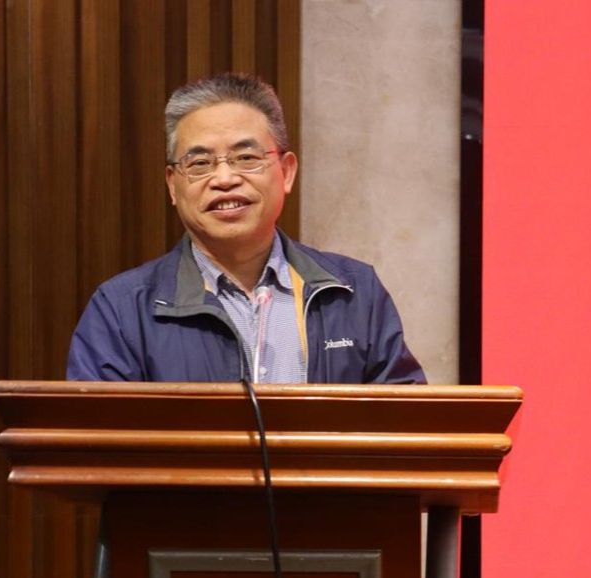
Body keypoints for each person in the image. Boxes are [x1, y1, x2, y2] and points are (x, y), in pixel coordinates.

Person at [67, 72, 425, 384]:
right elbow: (94, 435)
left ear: (286, 172)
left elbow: (404, 426)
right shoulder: (121, 310)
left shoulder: (354, 293)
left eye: (246, 158)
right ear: (173, 185)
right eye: (200, 163)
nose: (224, 179)